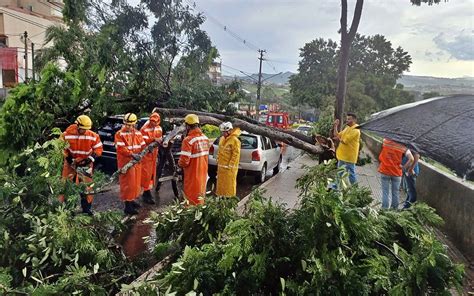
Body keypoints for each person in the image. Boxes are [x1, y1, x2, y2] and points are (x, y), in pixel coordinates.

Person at [60, 115, 103, 215]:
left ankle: (86, 209)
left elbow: (98, 149)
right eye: (83, 129)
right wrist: (68, 158)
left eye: (86, 129)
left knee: (86, 187)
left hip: (85, 164)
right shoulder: (66, 135)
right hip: (70, 164)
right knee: (67, 185)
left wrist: (90, 159)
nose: (84, 131)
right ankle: (67, 209)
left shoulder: (93, 135)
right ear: (77, 125)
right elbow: (61, 148)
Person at [115, 113, 146, 215]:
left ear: (134, 124)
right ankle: (127, 206)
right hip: (126, 163)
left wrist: (143, 153)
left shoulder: (138, 133)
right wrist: (132, 155)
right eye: (126, 124)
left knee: (135, 183)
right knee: (127, 184)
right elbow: (121, 149)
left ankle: (132, 200)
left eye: (130, 125)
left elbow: (142, 146)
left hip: (136, 162)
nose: (128, 126)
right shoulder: (119, 134)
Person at [178, 114, 209, 206]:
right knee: (200, 196)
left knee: (191, 198)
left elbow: (184, 161)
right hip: (203, 173)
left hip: (192, 174)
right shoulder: (205, 138)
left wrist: (178, 164)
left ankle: (191, 215)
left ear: (187, 126)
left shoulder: (188, 140)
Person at [378, 138, 414, 209]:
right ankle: (394, 211)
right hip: (396, 173)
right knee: (395, 193)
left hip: (385, 170)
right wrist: (404, 167)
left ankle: (384, 209)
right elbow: (411, 159)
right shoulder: (402, 146)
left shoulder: (385, 141)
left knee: (385, 192)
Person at [140, 112, 163, 204]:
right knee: (146, 175)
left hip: (154, 155)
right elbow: (143, 142)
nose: (153, 123)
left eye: (155, 122)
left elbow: (160, 140)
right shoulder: (144, 129)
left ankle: (147, 192)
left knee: (152, 175)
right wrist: (153, 139)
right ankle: (146, 193)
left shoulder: (159, 128)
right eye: (152, 121)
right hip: (146, 156)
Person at [333, 113, 361, 184]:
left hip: (349, 157)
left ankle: (355, 190)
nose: (347, 120)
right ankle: (335, 188)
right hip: (342, 156)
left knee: (351, 175)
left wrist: (338, 138)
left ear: (354, 120)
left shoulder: (356, 130)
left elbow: (344, 141)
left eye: (349, 119)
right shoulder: (347, 128)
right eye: (347, 119)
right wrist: (335, 126)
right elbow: (337, 135)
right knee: (339, 173)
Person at [216, 122, 241, 197]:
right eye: (222, 132)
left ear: (229, 131)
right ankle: (221, 198)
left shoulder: (235, 140)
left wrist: (230, 166)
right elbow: (220, 151)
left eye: (224, 132)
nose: (223, 133)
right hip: (221, 168)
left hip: (229, 169)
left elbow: (235, 155)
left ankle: (229, 200)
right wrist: (218, 161)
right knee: (221, 187)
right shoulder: (222, 139)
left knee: (229, 186)